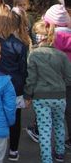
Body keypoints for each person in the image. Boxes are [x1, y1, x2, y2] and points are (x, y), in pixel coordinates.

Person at [24, 18, 71, 163]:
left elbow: (31, 78)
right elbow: (69, 77)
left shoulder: (34, 55)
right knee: (59, 124)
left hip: (41, 97)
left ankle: (46, 159)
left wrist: (28, 94)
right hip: (60, 96)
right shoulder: (62, 55)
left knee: (44, 129)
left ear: (36, 36)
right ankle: (60, 153)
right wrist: (62, 86)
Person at [0, 5, 30, 161]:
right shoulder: (20, 44)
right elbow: (23, 69)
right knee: (15, 119)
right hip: (14, 87)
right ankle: (13, 150)